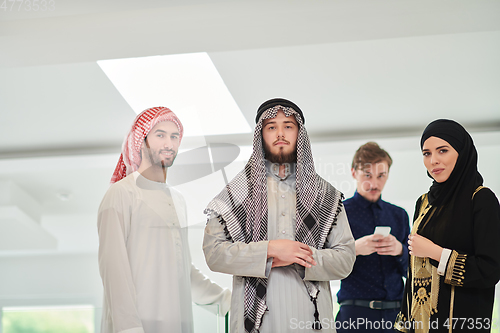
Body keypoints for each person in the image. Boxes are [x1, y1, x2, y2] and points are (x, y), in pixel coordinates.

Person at [203, 98, 356, 333]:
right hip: (257, 323)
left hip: (311, 318)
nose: (280, 133)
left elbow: (345, 258)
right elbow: (213, 253)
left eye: (288, 126)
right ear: (260, 135)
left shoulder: (325, 195)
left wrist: (300, 257)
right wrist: (270, 251)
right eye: (271, 127)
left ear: (299, 134)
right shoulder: (237, 192)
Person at [98, 106, 231, 333]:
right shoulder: (121, 194)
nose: (168, 143)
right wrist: (129, 328)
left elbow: (181, 269)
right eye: (160, 135)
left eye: (174, 136)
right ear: (141, 141)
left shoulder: (177, 200)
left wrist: (226, 301)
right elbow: (114, 269)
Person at [395, 119, 500, 332]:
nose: (433, 160)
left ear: (461, 153)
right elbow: (414, 270)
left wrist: (436, 253)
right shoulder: (423, 202)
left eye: (442, 151)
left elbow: (490, 270)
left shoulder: (480, 199)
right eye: (426, 153)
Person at [336, 142, 410, 332]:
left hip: (397, 316)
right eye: (367, 175)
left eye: (381, 175)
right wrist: (353, 250)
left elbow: (413, 271)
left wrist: (400, 250)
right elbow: (324, 264)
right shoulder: (338, 214)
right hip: (355, 316)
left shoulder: (399, 215)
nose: (374, 184)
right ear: (354, 173)